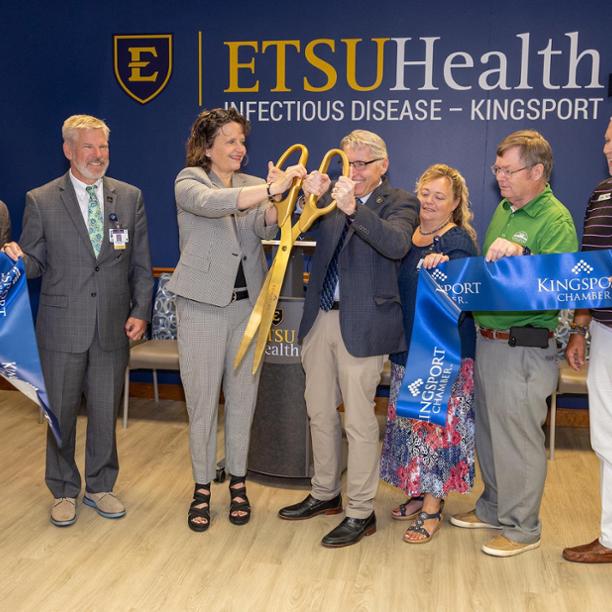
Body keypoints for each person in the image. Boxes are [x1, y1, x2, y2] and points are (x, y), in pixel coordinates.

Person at [2, 114, 153, 527]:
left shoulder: (129, 197)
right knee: (61, 416)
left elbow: (141, 264)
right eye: (89, 147)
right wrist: (15, 259)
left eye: (103, 147)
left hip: (112, 327)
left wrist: (141, 310)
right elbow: (35, 263)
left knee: (104, 413)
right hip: (61, 328)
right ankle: (63, 489)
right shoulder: (41, 200)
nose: (98, 155)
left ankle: (101, 486)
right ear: (68, 150)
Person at [278, 129, 419, 548]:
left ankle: (360, 511)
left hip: (364, 324)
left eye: (361, 164)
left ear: (383, 165)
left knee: (358, 421)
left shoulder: (399, 202)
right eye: (347, 163)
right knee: (319, 411)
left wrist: (353, 207)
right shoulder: (332, 198)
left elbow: (396, 245)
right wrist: (306, 199)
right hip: (320, 317)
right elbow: (297, 231)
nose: (353, 171)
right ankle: (325, 493)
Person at [166, 108, 306, 532]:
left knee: (243, 400)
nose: (239, 147)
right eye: (230, 140)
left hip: (249, 310)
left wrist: (283, 198)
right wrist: (271, 188)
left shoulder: (252, 185)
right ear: (207, 147)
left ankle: (239, 483)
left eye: (242, 140)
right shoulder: (189, 180)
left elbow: (266, 227)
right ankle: (202, 488)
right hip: (201, 309)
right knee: (202, 403)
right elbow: (213, 204)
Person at [449, 130, 578, 557]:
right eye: (497, 169)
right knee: (490, 433)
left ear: (537, 171)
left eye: (508, 170)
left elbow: (560, 286)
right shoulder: (506, 209)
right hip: (489, 340)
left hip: (523, 345)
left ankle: (523, 528)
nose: (499, 177)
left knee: (519, 439)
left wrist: (523, 257)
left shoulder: (555, 219)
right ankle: (493, 507)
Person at [380, 164, 478, 543]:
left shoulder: (456, 242)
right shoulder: (408, 235)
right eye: (425, 193)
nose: (430, 202)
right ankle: (419, 494)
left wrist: (447, 269)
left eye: (440, 197)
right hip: (407, 348)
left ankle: (433, 508)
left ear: (455, 204)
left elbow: (466, 290)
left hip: (442, 356)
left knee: (434, 430)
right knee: (411, 426)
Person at [563, 117, 612, 564]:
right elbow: (587, 271)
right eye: (607, 140)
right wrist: (579, 328)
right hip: (603, 330)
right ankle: (610, 537)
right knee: (605, 436)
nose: (607, 148)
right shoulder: (600, 193)